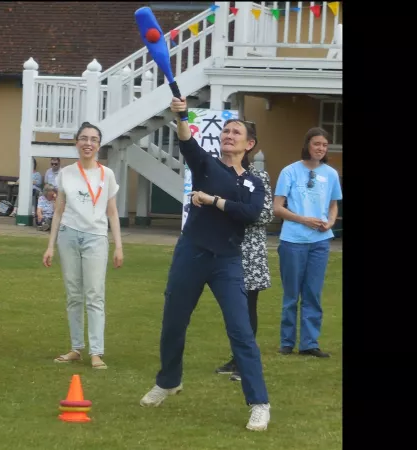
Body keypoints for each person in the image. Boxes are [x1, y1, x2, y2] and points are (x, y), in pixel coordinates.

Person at [140, 97, 271, 432]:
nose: (228, 135)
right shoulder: (206, 165)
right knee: (173, 322)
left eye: (235, 132)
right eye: (225, 130)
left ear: (249, 144)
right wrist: (182, 115)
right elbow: (186, 140)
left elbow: (251, 213)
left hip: (227, 262)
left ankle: (259, 403)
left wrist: (213, 200)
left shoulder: (255, 182)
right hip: (191, 253)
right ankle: (168, 381)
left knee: (241, 331)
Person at [42, 121, 124, 370]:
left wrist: (118, 246)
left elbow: (112, 212)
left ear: (99, 145)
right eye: (84, 138)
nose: (88, 143)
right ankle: (76, 347)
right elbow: (58, 211)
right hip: (68, 235)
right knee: (73, 294)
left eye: (93, 139)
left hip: (96, 238)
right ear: (76, 142)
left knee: (95, 295)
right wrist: (50, 245)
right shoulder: (65, 173)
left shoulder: (106, 174)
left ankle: (96, 352)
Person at [272, 127, 342, 358]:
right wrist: (303, 219)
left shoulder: (331, 174)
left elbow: (333, 204)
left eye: (324, 145)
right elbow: (277, 207)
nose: (321, 148)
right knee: (291, 294)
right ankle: (287, 341)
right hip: (293, 241)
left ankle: (309, 343)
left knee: (313, 294)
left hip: (320, 243)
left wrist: (330, 222)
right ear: (307, 145)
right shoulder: (289, 171)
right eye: (316, 144)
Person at [214, 157, 274, 381]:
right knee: (232, 309)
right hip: (225, 247)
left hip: (250, 253)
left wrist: (229, 209)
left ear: (249, 144)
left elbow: (265, 213)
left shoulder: (258, 176)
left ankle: (245, 364)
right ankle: (236, 358)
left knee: (248, 307)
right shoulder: (220, 173)